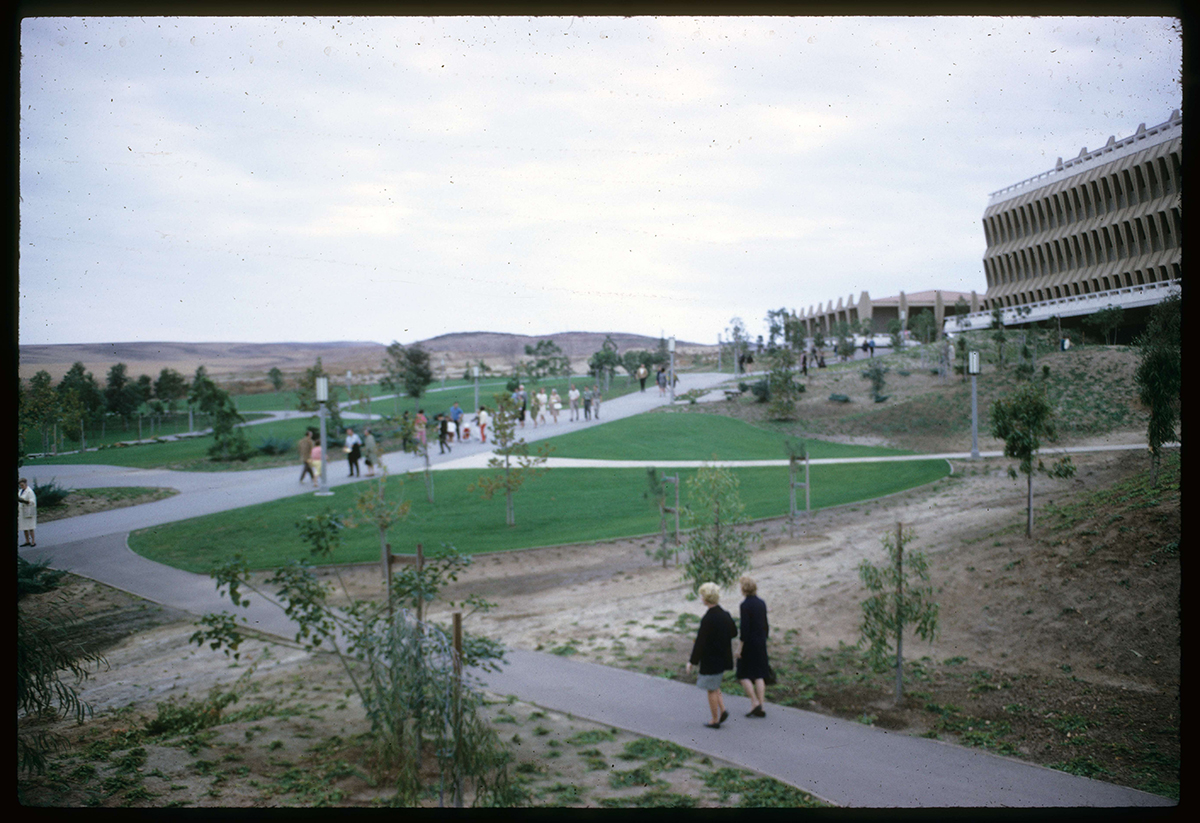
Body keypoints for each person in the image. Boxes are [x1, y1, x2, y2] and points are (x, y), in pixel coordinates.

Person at [686, 582, 738, 728]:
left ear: (706, 598)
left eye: (702, 595)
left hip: (711, 660)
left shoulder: (708, 619)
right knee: (715, 686)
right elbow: (734, 632)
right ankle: (723, 710)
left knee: (711, 690)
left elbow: (700, 643)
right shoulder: (725, 615)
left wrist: (692, 661)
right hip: (722, 658)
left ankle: (715, 719)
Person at [735, 576, 771, 718]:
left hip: (749, 643)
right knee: (759, 674)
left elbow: (745, 629)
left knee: (743, 674)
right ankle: (761, 705)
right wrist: (764, 639)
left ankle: (754, 702)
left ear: (743, 590)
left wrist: (740, 648)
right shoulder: (762, 603)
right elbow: (765, 624)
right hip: (761, 641)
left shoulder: (744, 605)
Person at [18, 477, 37, 548]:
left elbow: (32, 502)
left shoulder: (30, 492)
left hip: (29, 511)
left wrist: (23, 501)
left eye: (22, 485)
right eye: (20, 485)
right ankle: (27, 541)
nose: (21, 486)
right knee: (24, 527)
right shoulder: (20, 491)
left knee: (30, 527)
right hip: (22, 511)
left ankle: (33, 541)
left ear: (26, 484)